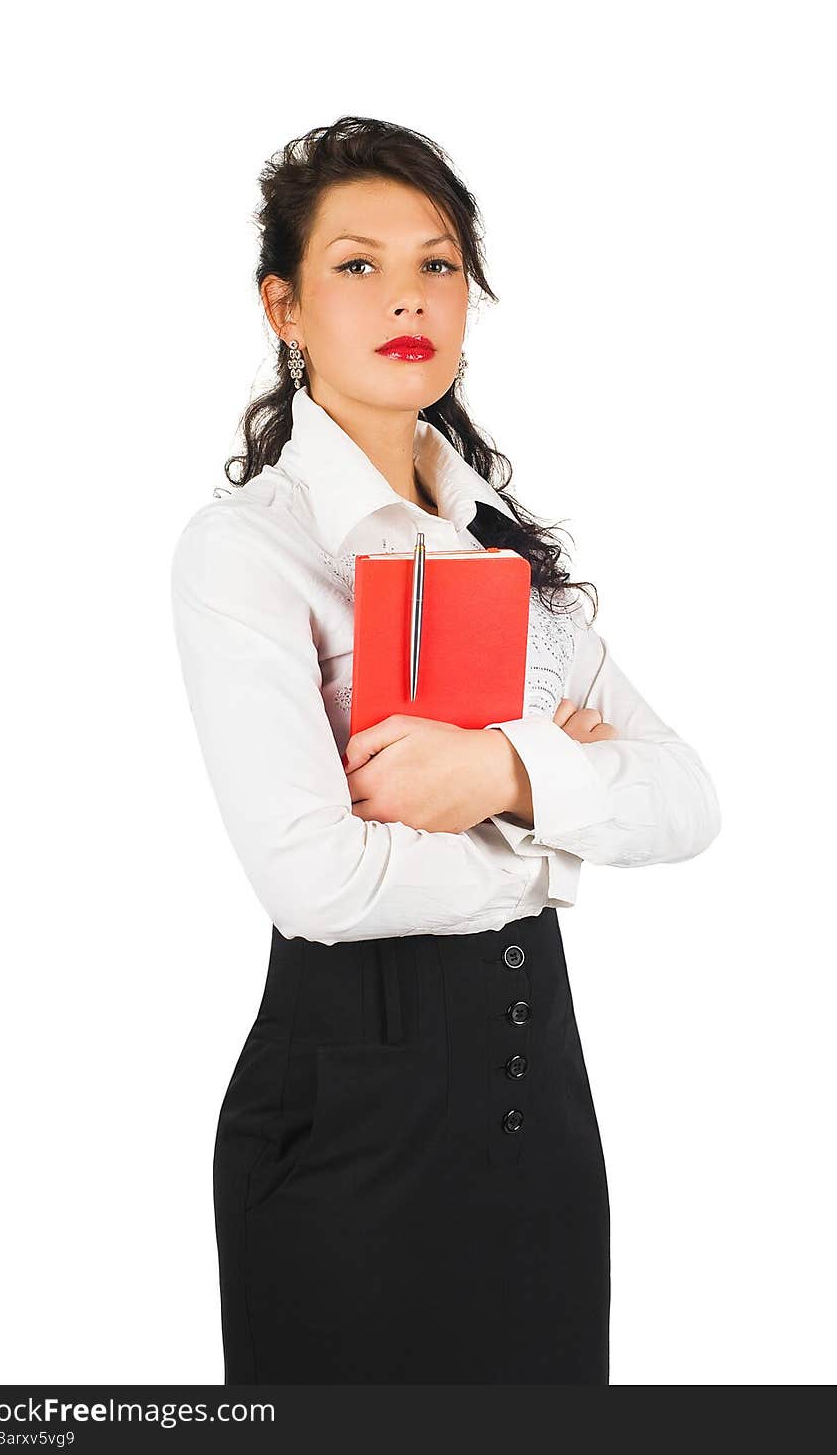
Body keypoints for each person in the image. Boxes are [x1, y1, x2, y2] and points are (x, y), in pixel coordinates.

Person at [170, 115, 721, 1386]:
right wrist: (563, 822)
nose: (406, 297)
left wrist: (501, 779)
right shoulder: (249, 553)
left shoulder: (504, 552)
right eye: (357, 265)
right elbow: (317, 880)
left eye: (438, 264)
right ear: (284, 304)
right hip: (346, 1132)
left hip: (542, 1120)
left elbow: (689, 800)